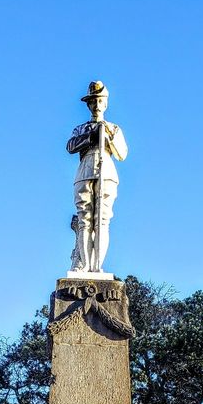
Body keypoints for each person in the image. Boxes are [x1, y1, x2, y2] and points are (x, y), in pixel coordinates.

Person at [67, 81, 127, 273]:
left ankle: (97, 267)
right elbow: (70, 146)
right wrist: (90, 137)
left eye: (100, 100)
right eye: (93, 101)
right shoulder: (81, 129)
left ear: (106, 103)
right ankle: (85, 265)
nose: (97, 104)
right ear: (88, 104)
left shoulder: (113, 128)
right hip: (85, 171)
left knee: (102, 220)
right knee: (85, 219)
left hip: (107, 172)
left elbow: (122, 153)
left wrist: (107, 138)